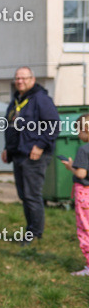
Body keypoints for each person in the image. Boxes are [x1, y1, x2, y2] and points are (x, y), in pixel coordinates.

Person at [2, 66, 59, 245]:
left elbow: (53, 125)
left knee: (32, 195)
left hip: (34, 155)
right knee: (23, 195)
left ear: (32, 80)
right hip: (18, 154)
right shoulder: (16, 100)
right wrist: (7, 148)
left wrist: (40, 145)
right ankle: (31, 229)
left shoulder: (41, 99)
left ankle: (34, 233)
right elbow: (11, 127)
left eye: (24, 78)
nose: (20, 81)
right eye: (17, 78)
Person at [60, 114, 89, 276]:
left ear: (85, 130)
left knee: (85, 228)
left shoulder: (84, 149)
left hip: (85, 195)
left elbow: (81, 173)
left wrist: (71, 166)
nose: (78, 134)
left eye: (78, 130)